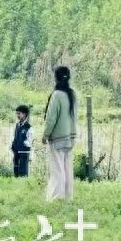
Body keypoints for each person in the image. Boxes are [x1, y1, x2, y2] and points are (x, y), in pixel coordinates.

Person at [42, 66, 77, 200]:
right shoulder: (72, 94)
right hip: (70, 136)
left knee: (57, 169)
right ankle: (67, 196)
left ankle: (56, 197)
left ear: (56, 78)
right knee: (67, 168)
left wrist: (45, 135)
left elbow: (51, 119)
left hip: (57, 138)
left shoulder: (56, 95)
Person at [11, 105, 33, 178]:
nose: (17, 115)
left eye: (19, 113)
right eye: (17, 113)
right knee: (16, 169)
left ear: (24, 114)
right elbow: (15, 137)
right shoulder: (17, 125)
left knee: (23, 170)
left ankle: (23, 184)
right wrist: (14, 145)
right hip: (16, 151)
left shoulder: (28, 127)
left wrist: (22, 144)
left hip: (24, 152)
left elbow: (30, 140)